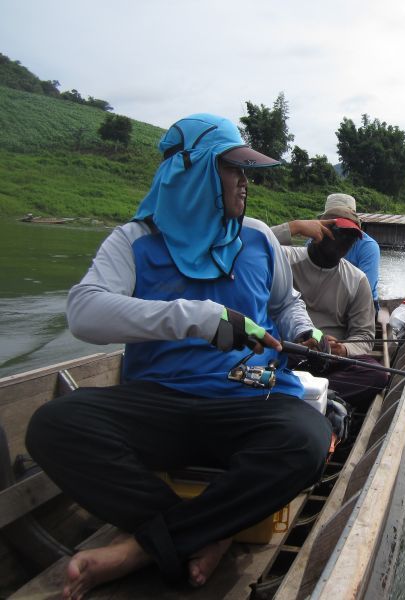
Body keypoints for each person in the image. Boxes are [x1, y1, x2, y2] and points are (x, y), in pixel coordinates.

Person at [24, 113, 332, 598]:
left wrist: (306, 333)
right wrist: (194, 317)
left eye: (246, 171)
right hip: (159, 403)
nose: (245, 182)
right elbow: (83, 312)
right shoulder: (135, 241)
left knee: (309, 441)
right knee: (52, 426)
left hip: (251, 403)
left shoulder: (258, 238)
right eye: (233, 169)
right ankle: (210, 528)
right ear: (194, 174)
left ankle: (144, 546)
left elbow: (285, 304)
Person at [282, 207, 389, 410]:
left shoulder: (358, 280)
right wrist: (293, 227)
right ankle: (311, 398)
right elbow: (248, 244)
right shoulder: (283, 258)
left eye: (352, 236)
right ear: (318, 230)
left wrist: (343, 349)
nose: (346, 241)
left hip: (329, 359)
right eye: (339, 232)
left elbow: (364, 336)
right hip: (286, 350)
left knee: (377, 374)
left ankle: (306, 395)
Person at [272, 194, 381, 310]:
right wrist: (295, 227)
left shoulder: (368, 247)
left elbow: (366, 291)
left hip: (362, 304)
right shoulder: (315, 238)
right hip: (314, 301)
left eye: (347, 230)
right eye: (332, 226)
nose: (341, 236)